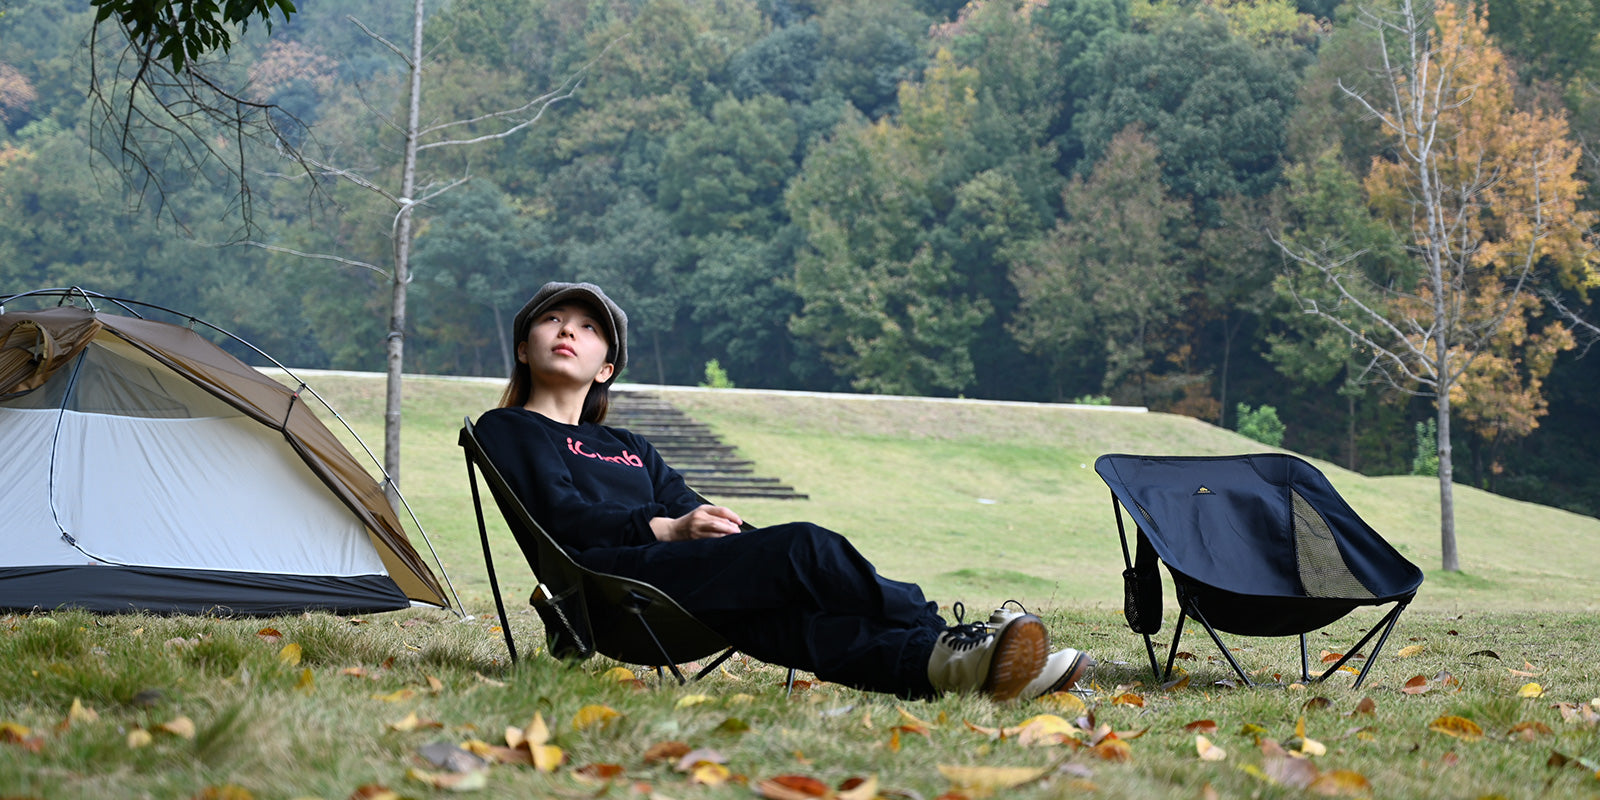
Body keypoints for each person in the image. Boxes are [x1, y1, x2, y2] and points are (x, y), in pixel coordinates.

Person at [474, 281, 1093, 701]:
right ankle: (946, 633)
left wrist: (727, 535)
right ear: (524, 348)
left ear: (607, 366)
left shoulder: (629, 444)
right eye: (552, 320)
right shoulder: (509, 428)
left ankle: (956, 668)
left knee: (794, 619)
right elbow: (561, 518)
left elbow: (687, 504)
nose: (567, 330)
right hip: (610, 586)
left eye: (587, 327)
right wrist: (667, 529)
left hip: (677, 581)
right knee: (804, 547)